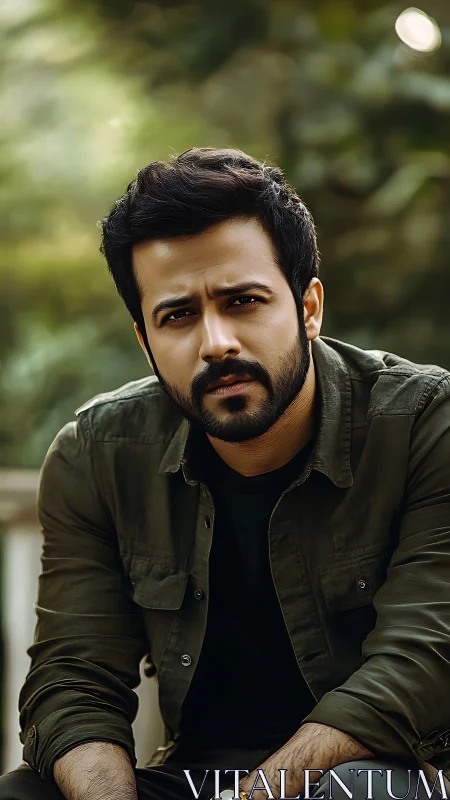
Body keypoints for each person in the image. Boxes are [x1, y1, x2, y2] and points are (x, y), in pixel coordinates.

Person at [1, 147, 449, 800]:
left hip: (393, 772)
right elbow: (74, 679)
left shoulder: (423, 425)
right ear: (145, 340)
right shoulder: (96, 455)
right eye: (178, 315)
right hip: (194, 776)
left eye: (243, 301)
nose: (215, 343)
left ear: (309, 307)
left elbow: (422, 662)